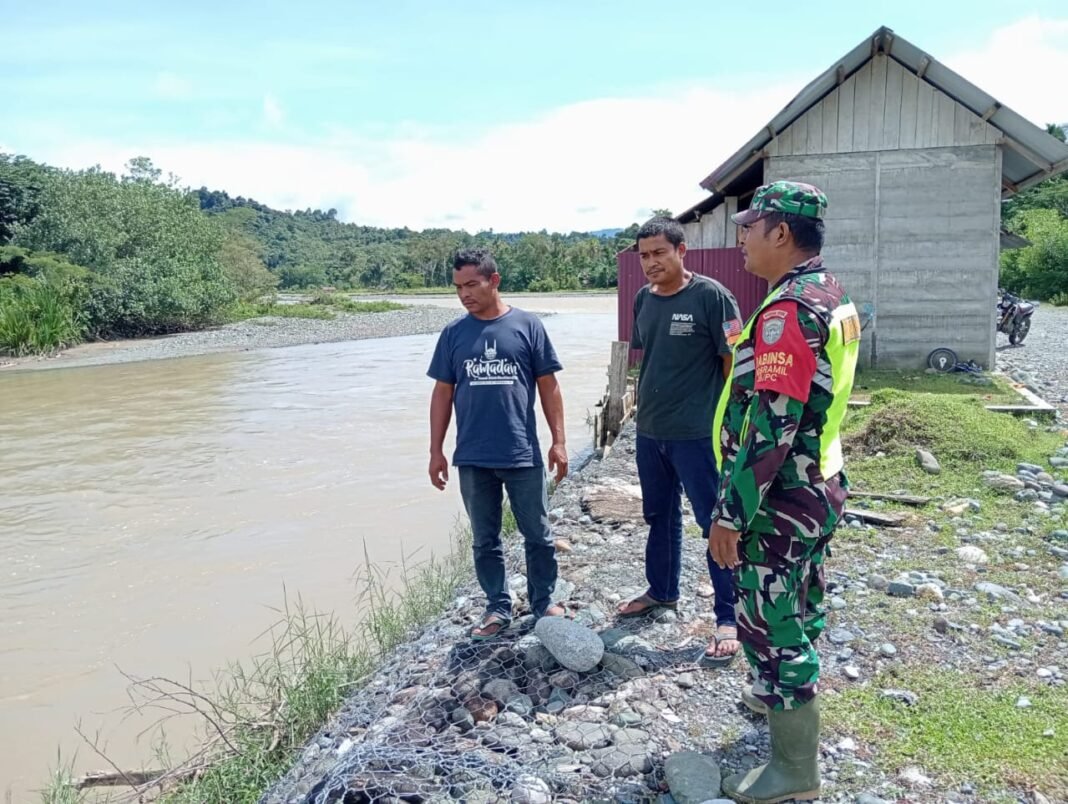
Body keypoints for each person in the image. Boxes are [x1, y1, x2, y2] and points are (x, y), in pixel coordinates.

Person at [707, 181, 860, 803]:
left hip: (780, 498)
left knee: (771, 622)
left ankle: (795, 769)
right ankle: (774, 696)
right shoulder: (831, 293)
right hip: (819, 482)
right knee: (798, 604)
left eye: (750, 226)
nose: (740, 237)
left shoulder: (789, 311)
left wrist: (730, 514)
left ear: (781, 233)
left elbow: (773, 425)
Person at [615, 216, 745, 665]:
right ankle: (662, 591)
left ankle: (728, 616)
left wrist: (727, 427)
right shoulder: (642, 299)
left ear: (681, 251)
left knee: (715, 524)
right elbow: (650, 359)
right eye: (644, 255)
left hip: (697, 434)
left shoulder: (712, 297)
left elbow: (734, 365)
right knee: (659, 515)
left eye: (659, 253)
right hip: (651, 431)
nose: (651, 263)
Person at [427, 248, 569, 641]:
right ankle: (497, 606)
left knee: (538, 534)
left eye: (472, 284)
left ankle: (543, 601)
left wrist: (558, 441)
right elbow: (442, 394)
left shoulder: (528, 326)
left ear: (495, 280)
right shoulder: (454, 335)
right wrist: (435, 450)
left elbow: (549, 388)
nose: (464, 294)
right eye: (458, 287)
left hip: (521, 452)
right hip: (472, 456)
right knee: (484, 539)